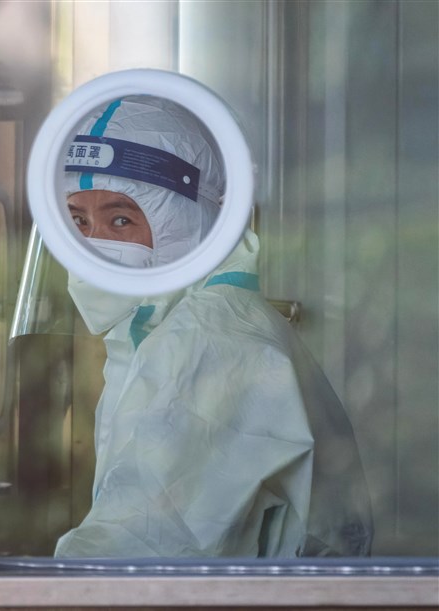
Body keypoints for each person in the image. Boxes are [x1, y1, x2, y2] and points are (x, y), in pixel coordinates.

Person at [56, 95, 373, 557]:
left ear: (187, 219)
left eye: (121, 219)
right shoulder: (172, 327)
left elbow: (140, 547)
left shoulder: (209, 341)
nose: (93, 245)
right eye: (78, 220)